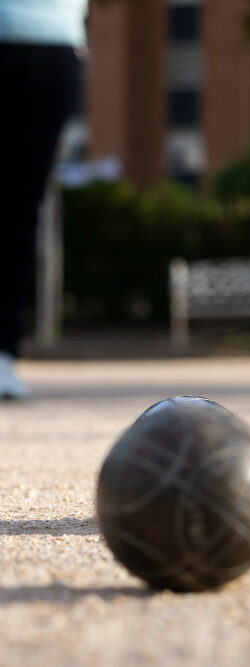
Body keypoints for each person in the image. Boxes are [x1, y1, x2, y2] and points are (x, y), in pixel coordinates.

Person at [0, 0, 87, 399]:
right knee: (19, 214)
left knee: (19, 212)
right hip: (55, 45)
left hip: (53, 40)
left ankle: (2, 355)